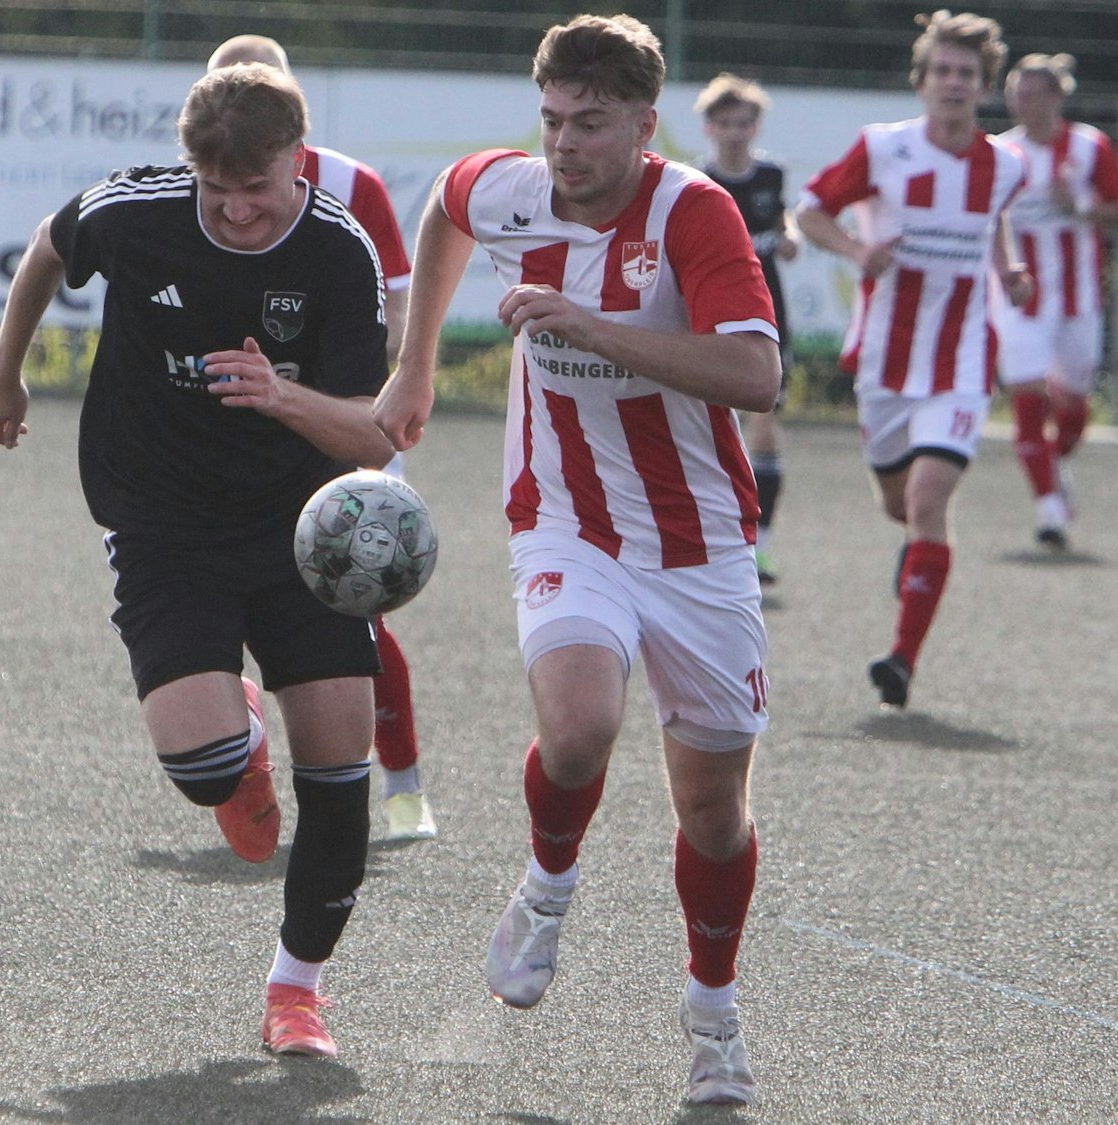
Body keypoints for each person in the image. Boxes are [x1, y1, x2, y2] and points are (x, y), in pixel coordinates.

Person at [372, 14, 780, 1105]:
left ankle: (711, 1014)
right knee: (579, 725)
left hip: (697, 543)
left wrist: (592, 328)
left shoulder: (694, 211)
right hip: (564, 520)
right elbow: (444, 209)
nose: (564, 145)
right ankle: (547, 887)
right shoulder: (507, 188)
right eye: (551, 119)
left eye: (591, 124)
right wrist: (413, 367)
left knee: (711, 813)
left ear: (645, 126)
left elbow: (753, 375)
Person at [0, 62, 396, 1059]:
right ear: (192, 171)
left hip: (304, 530)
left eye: (257, 192)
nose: (239, 214)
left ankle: (297, 991)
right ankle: (236, 743)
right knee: (204, 765)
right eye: (218, 194)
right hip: (164, 523)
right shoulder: (134, 211)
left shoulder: (341, 252)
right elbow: (47, 247)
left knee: (340, 768)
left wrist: (280, 396)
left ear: (297, 162)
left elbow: (373, 439)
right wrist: (6, 374)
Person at [207, 34, 437, 841]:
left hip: (340, 420)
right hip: (231, 431)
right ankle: (242, 742)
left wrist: (363, 410)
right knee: (216, 598)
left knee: (358, 595)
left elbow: (401, 310)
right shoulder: (201, 187)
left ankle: (401, 780)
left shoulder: (353, 187)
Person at [795, 9, 1032, 711]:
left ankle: (901, 658)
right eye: (943, 72)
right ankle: (916, 554)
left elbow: (994, 217)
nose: (954, 84)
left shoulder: (1006, 164)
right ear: (922, 82)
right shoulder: (883, 148)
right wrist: (856, 251)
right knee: (898, 501)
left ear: (984, 86)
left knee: (930, 499)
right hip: (885, 362)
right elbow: (810, 212)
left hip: (961, 358)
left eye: (967, 74)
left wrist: (1010, 268)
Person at [995, 52, 1118, 550]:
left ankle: (1054, 465)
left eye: (1032, 93)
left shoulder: (1089, 146)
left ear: (1056, 97)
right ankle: (1049, 509)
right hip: (1020, 299)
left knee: (1074, 412)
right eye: (1016, 91)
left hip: (1078, 301)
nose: (1021, 101)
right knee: (1028, 395)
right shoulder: (1001, 154)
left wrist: (1077, 204)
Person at [695, 73, 797, 586]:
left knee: (763, 424)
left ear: (756, 126)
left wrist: (791, 236)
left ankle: (763, 544)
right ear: (710, 127)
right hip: (710, 319)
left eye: (745, 122)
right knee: (710, 431)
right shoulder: (697, 183)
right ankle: (717, 540)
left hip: (768, 317)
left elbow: (783, 225)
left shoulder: (771, 176)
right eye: (726, 122)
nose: (736, 132)